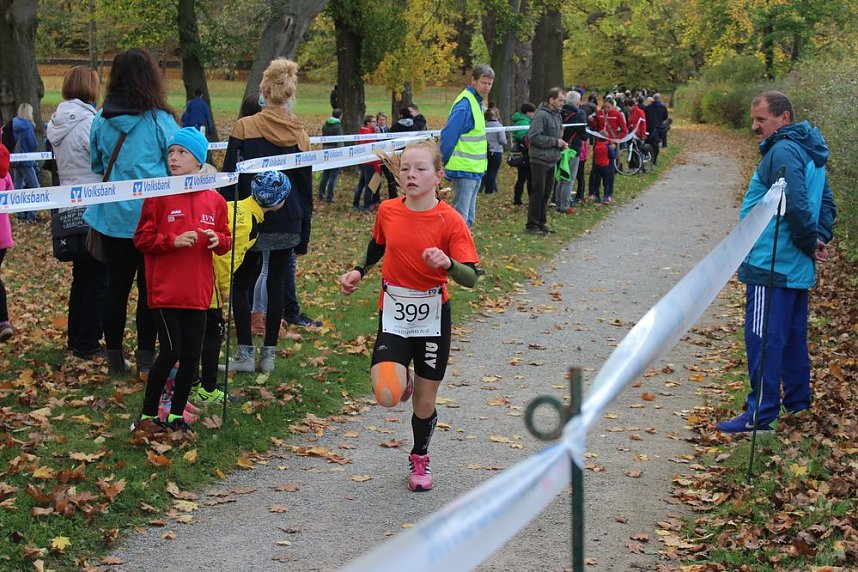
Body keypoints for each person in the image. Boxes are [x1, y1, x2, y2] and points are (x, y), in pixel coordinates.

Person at [339, 140, 479, 492]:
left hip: (432, 317)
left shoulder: (450, 220)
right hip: (395, 314)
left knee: (424, 402)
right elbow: (378, 245)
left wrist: (449, 264)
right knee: (388, 394)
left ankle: (420, 456)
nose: (411, 175)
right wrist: (358, 271)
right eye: (405, 169)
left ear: (438, 176)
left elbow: (471, 277)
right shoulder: (388, 210)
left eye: (420, 169)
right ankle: (403, 377)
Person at [716, 91, 836, 434]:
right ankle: (797, 406)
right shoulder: (810, 149)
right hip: (795, 267)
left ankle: (760, 415)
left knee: (763, 338)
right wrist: (818, 237)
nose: (755, 127)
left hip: (770, 264)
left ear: (784, 118)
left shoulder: (782, 150)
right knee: (792, 338)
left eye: (761, 120)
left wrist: (809, 241)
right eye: (753, 120)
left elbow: (797, 204)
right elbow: (826, 202)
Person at [86, 48, 180, 376]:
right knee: (149, 291)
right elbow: (174, 166)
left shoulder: (101, 118)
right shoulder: (160, 120)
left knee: (116, 288)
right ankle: (145, 357)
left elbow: (97, 163)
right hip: (152, 219)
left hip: (113, 219)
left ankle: (115, 359)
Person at [131, 127, 231, 434]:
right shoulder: (158, 195)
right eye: (171, 152)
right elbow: (142, 239)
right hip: (165, 291)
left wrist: (218, 239)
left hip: (198, 292)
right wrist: (171, 241)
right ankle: (148, 414)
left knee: (190, 356)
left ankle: (176, 416)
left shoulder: (215, 200)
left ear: (198, 160)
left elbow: (226, 239)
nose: (173, 158)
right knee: (171, 351)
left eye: (182, 152)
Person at [221, 58, 313, 373]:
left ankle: (245, 353)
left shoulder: (244, 127)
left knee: (241, 282)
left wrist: (225, 221)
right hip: (288, 218)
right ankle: (268, 355)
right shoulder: (300, 134)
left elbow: (229, 179)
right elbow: (305, 189)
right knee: (276, 283)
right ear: (289, 95)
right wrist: (304, 233)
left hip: (250, 218)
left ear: (264, 92)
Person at [199, 171, 290, 401]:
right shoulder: (248, 224)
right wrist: (224, 289)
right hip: (208, 284)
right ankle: (204, 387)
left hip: (202, 277)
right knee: (212, 333)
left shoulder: (235, 206)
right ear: (279, 202)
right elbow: (227, 258)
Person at [46, 65, 109, 360]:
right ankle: (87, 341)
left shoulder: (57, 122)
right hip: (92, 204)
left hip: (69, 201)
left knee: (82, 277)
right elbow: (101, 161)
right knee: (97, 277)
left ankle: (77, 337)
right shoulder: (90, 123)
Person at [440, 64, 494, 229]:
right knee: (461, 218)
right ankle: (458, 245)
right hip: (464, 169)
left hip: (474, 169)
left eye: (489, 84)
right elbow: (449, 135)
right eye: (483, 83)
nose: (486, 87)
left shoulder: (475, 102)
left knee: (468, 218)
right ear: (473, 81)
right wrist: (440, 162)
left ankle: (464, 244)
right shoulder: (465, 104)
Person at [525, 87, 567, 235]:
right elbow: (534, 137)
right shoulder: (541, 115)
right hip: (539, 159)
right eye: (560, 100)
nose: (562, 103)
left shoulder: (557, 116)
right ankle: (532, 224)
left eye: (563, 101)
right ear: (551, 100)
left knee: (546, 193)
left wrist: (560, 143)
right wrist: (555, 142)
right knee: (538, 192)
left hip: (551, 159)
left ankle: (541, 222)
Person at [555, 90, 587, 212]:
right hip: (573, 149)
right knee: (569, 178)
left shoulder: (560, 113)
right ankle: (565, 205)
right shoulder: (577, 115)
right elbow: (584, 134)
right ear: (577, 101)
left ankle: (558, 202)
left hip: (560, 147)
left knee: (561, 176)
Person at [12, 103, 39, 223]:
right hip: (27, 160)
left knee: (18, 187)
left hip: (16, 159)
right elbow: (33, 145)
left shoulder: (13, 125)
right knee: (35, 187)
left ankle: (20, 213)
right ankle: (31, 214)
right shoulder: (28, 127)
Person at [0, 144, 13, 342]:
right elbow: (12, 195)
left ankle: (3, 321)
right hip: (2, 235)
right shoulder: (4, 172)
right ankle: (3, 321)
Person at [510, 102, 535, 206]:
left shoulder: (521, 120)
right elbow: (522, 136)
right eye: (533, 112)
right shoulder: (524, 122)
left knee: (523, 178)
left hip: (523, 151)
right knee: (525, 178)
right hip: (525, 152)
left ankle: (520, 199)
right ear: (528, 112)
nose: (533, 114)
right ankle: (520, 200)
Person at [352, 115, 379, 212]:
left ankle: (356, 204)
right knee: (369, 186)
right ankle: (367, 206)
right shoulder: (368, 134)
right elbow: (373, 150)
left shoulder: (363, 131)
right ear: (368, 123)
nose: (375, 123)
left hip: (363, 162)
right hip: (369, 163)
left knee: (361, 184)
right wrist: (377, 167)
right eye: (374, 121)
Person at [318, 108, 344, 203]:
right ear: (340, 116)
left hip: (326, 150)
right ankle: (330, 196)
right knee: (333, 175)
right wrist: (341, 153)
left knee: (326, 173)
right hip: (335, 152)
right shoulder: (338, 126)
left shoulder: (325, 125)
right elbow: (339, 141)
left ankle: (321, 193)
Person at [481, 106, 507, 195]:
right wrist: (506, 141)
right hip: (496, 151)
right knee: (493, 172)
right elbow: (502, 140)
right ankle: (490, 190)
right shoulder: (499, 126)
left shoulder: (483, 125)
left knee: (486, 171)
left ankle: (483, 188)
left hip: (486, 150)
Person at [587, 130, 615, 204]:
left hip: (597, 166)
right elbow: (612, 156)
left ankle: (597, 198)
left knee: (597, 183)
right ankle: (606, 197)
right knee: (606, 183)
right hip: (605, 167)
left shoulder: (596, 146)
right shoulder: (607, 147)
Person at [643, 93, 669, 165]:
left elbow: (645, 117)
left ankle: (648, 156)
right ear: (660, 99)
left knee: (648, 143)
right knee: (656, 144)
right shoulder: (663, 107)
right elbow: (665, 117)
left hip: (649, 128)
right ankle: (654, 160)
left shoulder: (648, 108)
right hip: (658, 128)